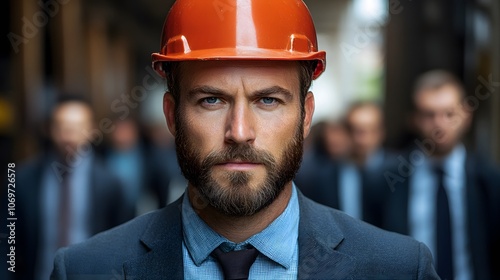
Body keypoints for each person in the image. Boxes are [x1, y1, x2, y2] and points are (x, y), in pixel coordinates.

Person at [51, 1, 438, 279]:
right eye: (211, 100)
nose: (239, 132)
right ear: (172, 115)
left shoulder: (399, 268)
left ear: (306, 117)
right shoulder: (86, 270)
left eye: (267, 100)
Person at [382, 70, 500, 279]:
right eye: (429, 114)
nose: (439, 123)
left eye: (449, 113)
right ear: (415, 119)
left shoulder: (488, 180)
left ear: (466, 116)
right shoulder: (390, 179)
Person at [10, 95, 133, 280]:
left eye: (77, 127)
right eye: (62, 127)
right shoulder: (23, 179)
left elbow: (124, 243)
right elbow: (8, 238)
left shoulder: (110, 182)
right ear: (49, 129)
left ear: (92, 129)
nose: (69, 136)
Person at [296, 102, 392, 224]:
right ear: (345, 131)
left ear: (381, 131)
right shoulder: (322, 177)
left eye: (370, 130)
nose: (362, 139)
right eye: (356, 130)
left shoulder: (399, 172)